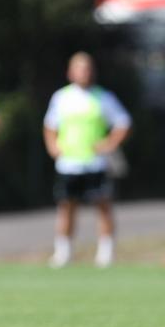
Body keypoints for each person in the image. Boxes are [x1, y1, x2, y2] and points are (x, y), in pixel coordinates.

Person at [43, 52, 131, 268]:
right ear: (70, 72)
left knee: (103, 206)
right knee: (66, 207)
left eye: (87, 69)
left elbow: (123, 122)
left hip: (95, 162)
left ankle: (105, 254)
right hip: (69, 163)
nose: (84, 73)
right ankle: (63, 253)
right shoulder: (61, 97)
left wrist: (110, 143)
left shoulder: (103, 97)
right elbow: (50, 126)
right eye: (80, 69)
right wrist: (52, 146)